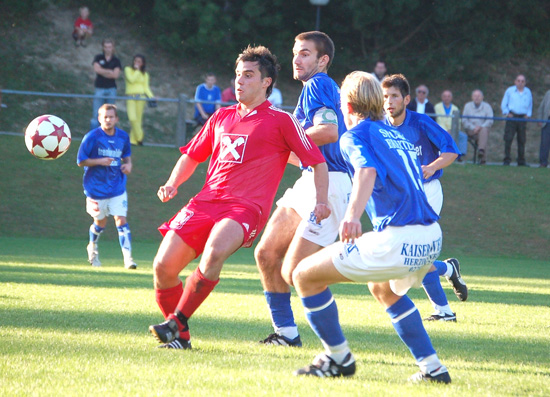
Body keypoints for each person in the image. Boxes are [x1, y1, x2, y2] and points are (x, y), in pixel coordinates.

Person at [148, 45, 330, 350]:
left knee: (215, 252)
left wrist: (322, 200)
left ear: (266, 82)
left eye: (248, 75)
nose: (239, 81)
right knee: (163, 267)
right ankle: (180, 337)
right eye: (237, 75)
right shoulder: (220, 117)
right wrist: (172, 183)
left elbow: (318, 161)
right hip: (205, 202)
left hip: (245, 207)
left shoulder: (281, 120)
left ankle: (176, 322)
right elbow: (191, 156)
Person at [292, 71, 451, 383]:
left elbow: (366, 170)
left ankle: (338, 359)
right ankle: (433, 368)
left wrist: (351, 215)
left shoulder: (354, 136)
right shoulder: (396, 134)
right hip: (431, 236)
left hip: (399, 238)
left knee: (304, 276)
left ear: (347, 106)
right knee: (383, 288)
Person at [255, 31, 352, 347]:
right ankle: (286, 334)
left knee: (296, 271)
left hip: (331, 182)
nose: (297, 59)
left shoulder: (319, 84)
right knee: (268, 254)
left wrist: (284, 140)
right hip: (310, 180)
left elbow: (327, 131)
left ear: (322, 60)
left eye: (306, 53)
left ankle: (367, 265)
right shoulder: (312, 90)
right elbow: (302, 151)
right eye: (296, 52)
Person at [382, 74, 467, 322]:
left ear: (407, 99)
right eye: (385, 96)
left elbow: (451, 150)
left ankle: (445, 311)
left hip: (427, 192)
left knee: (417, 255)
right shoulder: (380, 127)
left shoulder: (420, 122)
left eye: (395, 96)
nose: (389, 101)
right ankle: (448, 269)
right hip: (400, 196)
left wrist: (431, 166)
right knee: (407, 257)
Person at [77, 104, 136, 270]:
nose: (108, 120)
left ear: (116, 118)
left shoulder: (123, 137)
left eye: (111, 117)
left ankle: (128, 259)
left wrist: (129, 165)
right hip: (96, 189)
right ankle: (92, 246)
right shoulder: (92, 137)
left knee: (121, 220)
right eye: (105, 117)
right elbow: (81, 161)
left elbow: (127, 157)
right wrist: (99, 161)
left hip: (117, 187)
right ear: (99, 119)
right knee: (100, 223)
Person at [500, 74, 532, 166]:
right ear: (515, 82)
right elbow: (504, 104)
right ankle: (507, 160)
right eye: (518, 81)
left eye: (522, 81)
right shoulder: (510, 91)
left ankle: (521, 161)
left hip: (522, 118)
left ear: (525, 83)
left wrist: (528, 115)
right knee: (508, 139)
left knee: (522, 140)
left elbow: (530, 104)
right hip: (512, 117)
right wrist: (507, 113)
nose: (520, 83)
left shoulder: (528, 92)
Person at [90, 39, 121, 130]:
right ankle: (93, 136)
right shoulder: (98, 57)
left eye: (110, 47)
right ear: (103, 48)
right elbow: (97, 69)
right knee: (96, 114)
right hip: (99, 88)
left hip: (111, 89)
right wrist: (109, 71)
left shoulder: (116, 60)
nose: (108, 49)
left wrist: (102, 71)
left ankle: (109, 135)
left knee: (111, 114)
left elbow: (115, 75)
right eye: (106, 47)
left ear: (113, 48)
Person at [124, 54, 155, 146]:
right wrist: (137, 71)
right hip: (131, 96)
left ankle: (133, 140)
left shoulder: (145, 74)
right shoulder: (128, 70)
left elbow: (146, 87)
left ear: (142, 64)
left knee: (138, 119)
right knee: (132, 118)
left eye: (139, 62)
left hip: (141, 97)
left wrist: (151, 96)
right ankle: (140, 137)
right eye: (135, 61)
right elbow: (131, 80)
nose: (137, 63)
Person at [462, 89, 494, 165]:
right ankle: (482, 157)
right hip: (471, 130)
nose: (477, 98)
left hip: (483, 129)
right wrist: (473, 127)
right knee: (484, 135)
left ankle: (481, 151)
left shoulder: (487, 107)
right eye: (475, 96)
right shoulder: (467, 106)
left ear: (482, 97)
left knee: (483, 131)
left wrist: (480, 127)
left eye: (479, 96)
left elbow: (490, 120)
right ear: (472, 97)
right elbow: (464, 120)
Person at [537, 88, 550, 167]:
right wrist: (540, 119)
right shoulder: (548, 93)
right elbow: (541, 107)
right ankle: (543, 162)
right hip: (547, 121)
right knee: (545, 143)